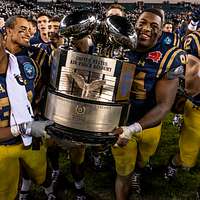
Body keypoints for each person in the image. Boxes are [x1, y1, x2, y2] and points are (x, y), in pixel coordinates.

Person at [111, 8, 187, 200]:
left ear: (161, 32)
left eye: (154, 26)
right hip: (120, 124)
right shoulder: (118, 45)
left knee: (144, 159)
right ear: (134, 24)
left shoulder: (169, 56)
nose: (146, 28)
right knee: (123, 172)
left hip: (150, 123)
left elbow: (164, 105)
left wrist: (134, 128)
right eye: (142, 23)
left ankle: (138, 171)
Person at [4, 15, 56, 200]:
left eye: (30, 29)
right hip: (4, 135)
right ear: (8, 31)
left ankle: (49, 190)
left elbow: (42, 86)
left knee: (40, 170)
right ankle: (24, 188)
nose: (29, 32)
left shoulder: (36, 56)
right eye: (22, 28)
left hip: (30, 124)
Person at [164, 28, 200, 190]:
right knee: (188, 158)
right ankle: (173, 163)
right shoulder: (195, 40)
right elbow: (191, 86)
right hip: (197, 106)